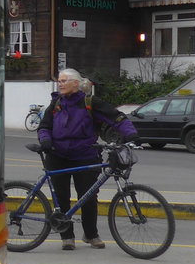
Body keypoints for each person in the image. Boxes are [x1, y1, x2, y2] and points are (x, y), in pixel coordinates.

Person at [36, 67, 137, 250]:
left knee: (89, 197)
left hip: (85, 155)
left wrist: (130, 134)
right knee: (62, 197)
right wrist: (45, 140)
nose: (60, 84)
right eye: (59, 81)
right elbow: (44, 126)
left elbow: (116, 118)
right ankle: (67, 236)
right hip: (57, 155)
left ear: (76, 83)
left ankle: (91, 235)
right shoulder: (56, 103)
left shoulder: (90, 102)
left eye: (64, 80)